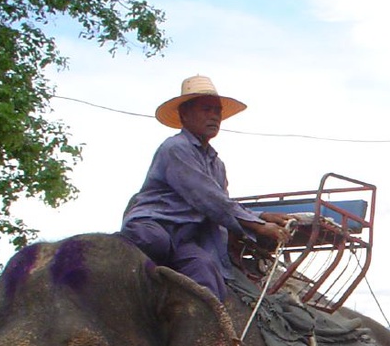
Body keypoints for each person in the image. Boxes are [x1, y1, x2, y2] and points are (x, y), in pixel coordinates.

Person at [119, 75, 292, 301]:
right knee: (156, 242)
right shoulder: (175, 148)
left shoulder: (216, 164)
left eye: (217, 112)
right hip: (153, 224)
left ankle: (206, 333)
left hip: (184, 239)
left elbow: (222, 204)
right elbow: (208, 200)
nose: (214, 117)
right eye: (206, 110)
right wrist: (259, 226)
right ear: (184, 115)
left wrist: (262, 215)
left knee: (206, 270)